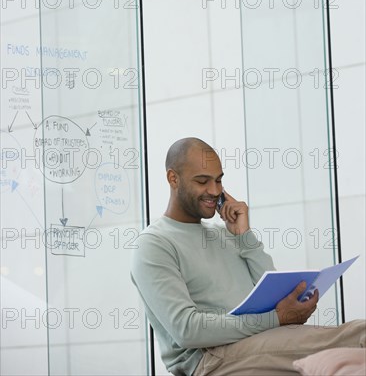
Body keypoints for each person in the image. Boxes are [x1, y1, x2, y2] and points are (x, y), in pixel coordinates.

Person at [131, 137, 365, 375]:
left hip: (260, 338)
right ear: (173, 179)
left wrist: (244, 236)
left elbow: (274, 291)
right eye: (202, 181)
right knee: (356, 336)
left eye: (219, 180)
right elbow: (186, 330)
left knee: (347, 350)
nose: (214, 191)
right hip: (211, 357)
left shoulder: (226, 233)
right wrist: (276, 319)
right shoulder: (154, 244)